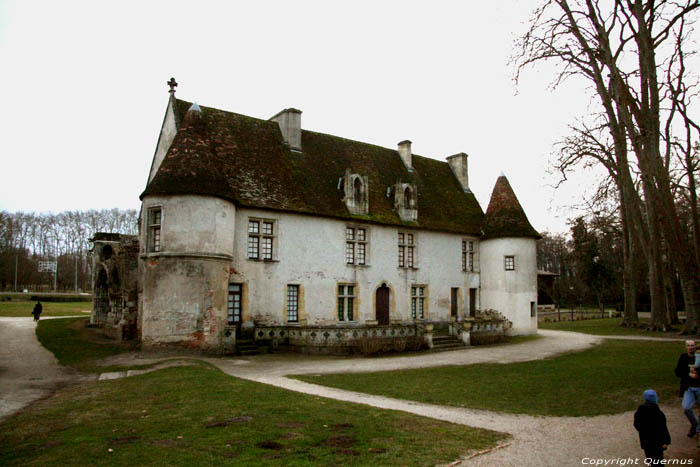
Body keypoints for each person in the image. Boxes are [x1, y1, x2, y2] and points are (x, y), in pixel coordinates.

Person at [633, 389, 671, 461]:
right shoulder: (658, 413)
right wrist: (666, 441)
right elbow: (663, 428)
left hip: (646, 441)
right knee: (658, 460)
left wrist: (643, 431)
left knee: (650, 458)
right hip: (658, 442)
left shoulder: (639, 412)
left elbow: (636, 424)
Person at [675, 340, 700, 437]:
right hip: (688, 388)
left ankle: (698, 431)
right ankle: (694, 424)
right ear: (686, 347)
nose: (690, 347)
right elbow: (678, 372)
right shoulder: (683, 357)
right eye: (688, 345)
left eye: (692, 345)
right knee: (686, 408)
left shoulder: (699, 356)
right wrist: (688, 373)